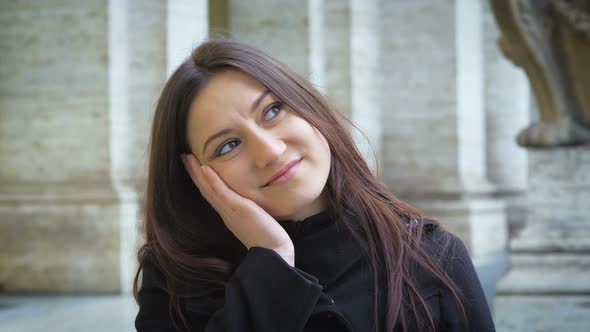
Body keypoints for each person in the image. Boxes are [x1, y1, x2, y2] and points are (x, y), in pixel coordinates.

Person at [133, 39, 495, 332]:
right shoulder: (176, 281)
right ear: (197, 175)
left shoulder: (431, 257)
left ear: (308, 109)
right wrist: (270, 262)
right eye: (228, 145)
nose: (270, 152)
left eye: (273, 110)